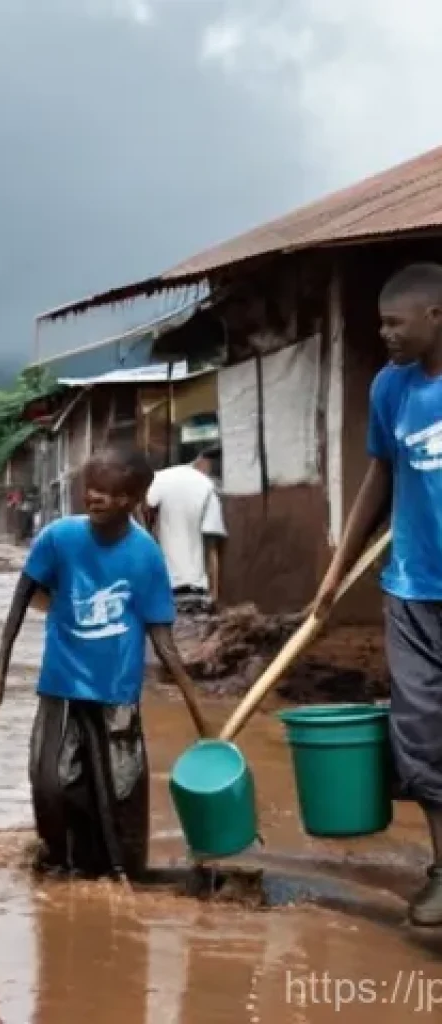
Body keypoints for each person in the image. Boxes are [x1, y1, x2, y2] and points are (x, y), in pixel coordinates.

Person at [0, 445, 206, 880]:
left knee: (119, 789)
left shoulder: (145, 556)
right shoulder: (58, 538)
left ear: (132, 499)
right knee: (53, 781)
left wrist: (200, 717)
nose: (94, 498)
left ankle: (120, 870)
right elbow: (25, 590)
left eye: (108, 492)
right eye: (90, 489)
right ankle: (59, 864)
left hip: (115, 691)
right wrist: (3, 654)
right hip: (62, 682)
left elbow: (162, 638)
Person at [311, 262, 442, 928]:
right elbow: (380, 477)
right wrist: (337, 571)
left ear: (435, 317)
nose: (385, 335)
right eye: (381, 324)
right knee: (420, 733)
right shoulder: (392, 388)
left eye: (395, 323)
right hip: (413, 586)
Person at [144, 447, 227, 612]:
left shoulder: (158, 479)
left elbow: (144, 511)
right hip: (196, 590)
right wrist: (214, 595)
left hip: (162, 586)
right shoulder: (207, 487)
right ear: (204, 462)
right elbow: (212, 549)